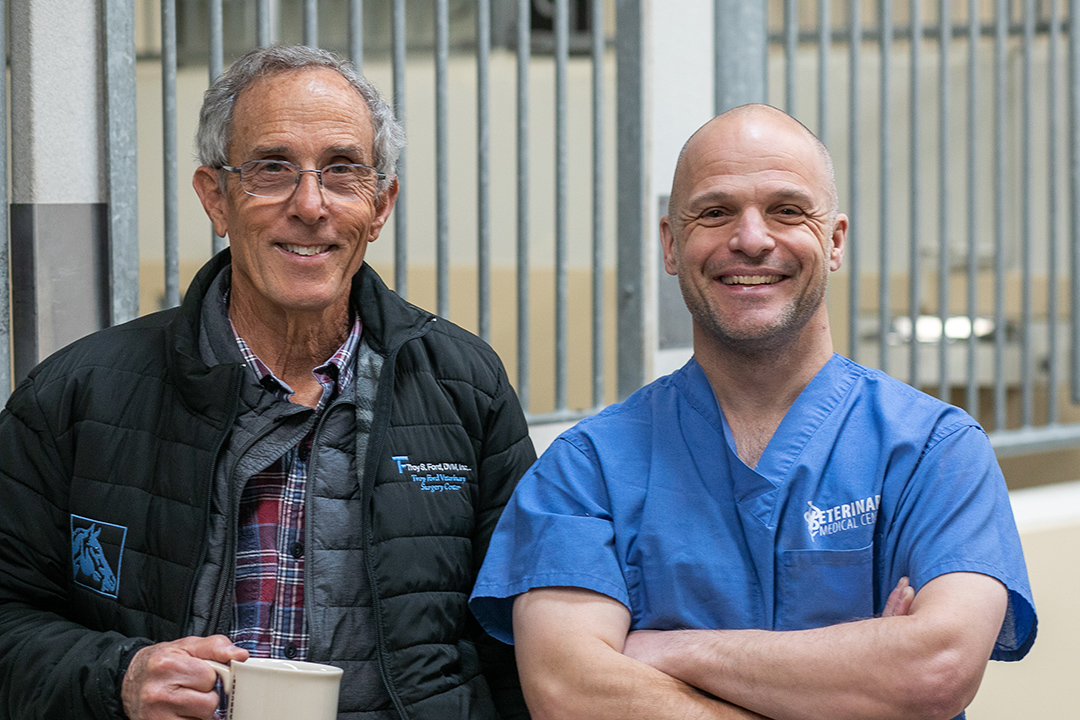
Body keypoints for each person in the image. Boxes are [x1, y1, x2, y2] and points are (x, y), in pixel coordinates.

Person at [0, 45, 534, 720]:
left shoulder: (465, 386)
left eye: (342, 172)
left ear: (381, 204)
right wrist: (121, 677)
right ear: (215, 198)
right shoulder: (80, 395)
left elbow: (522, 638)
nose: (310, 205)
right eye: (271, 169)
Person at [469, 104, 1036, 720]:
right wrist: (860, 668)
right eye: (715, 212)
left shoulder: (933, 450)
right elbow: (571, 693)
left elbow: (935, 669)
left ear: (836, 240)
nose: (752, 239)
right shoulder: (586, 470)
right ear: (671, 244)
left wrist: (675, 651)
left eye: (787, 210)